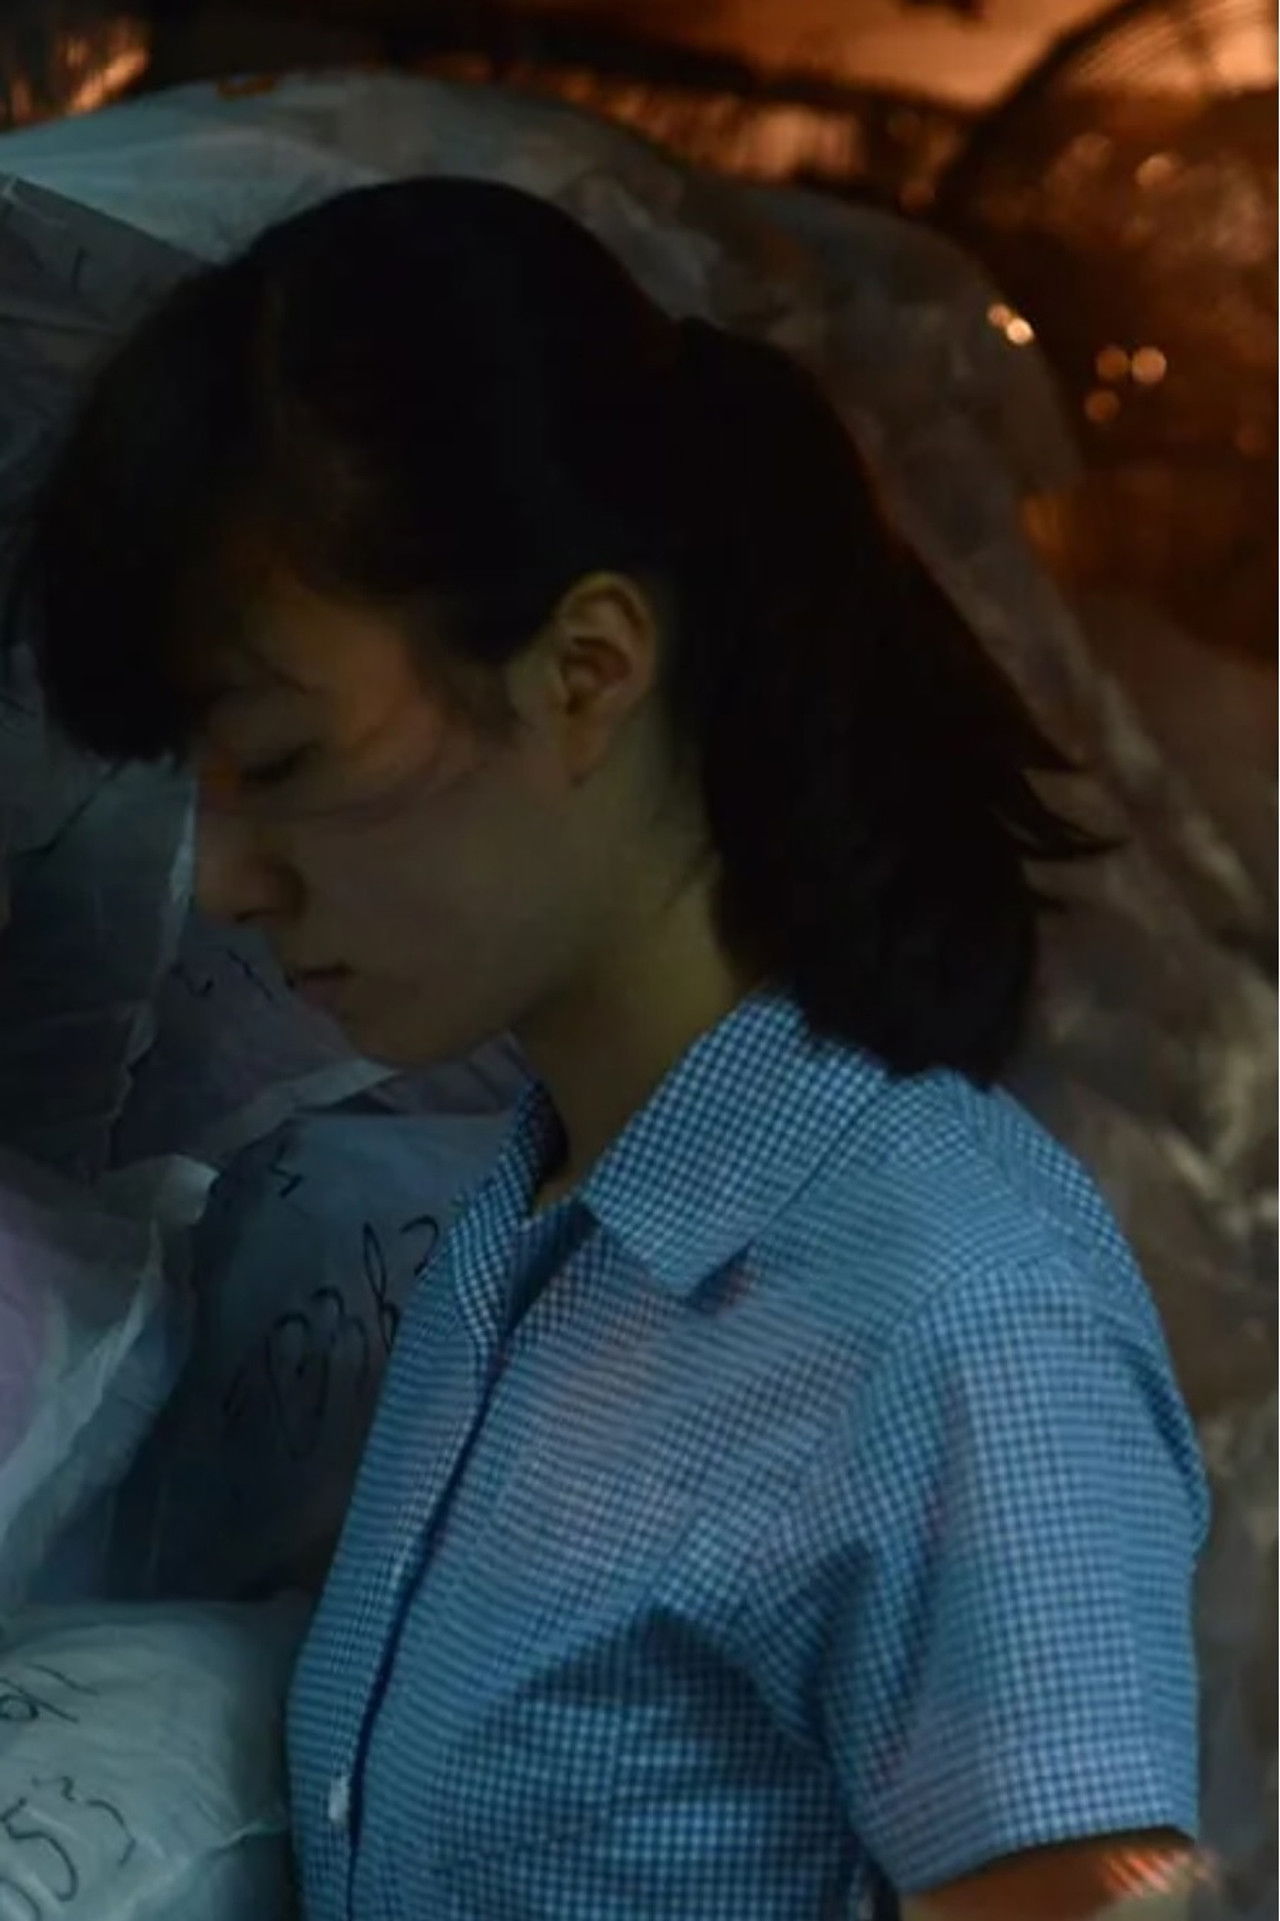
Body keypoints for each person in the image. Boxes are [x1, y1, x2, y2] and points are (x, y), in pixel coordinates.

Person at [9, 177, 1208, 1921]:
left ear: (585, 667)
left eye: (281, 762)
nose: (230, 882)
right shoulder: (531, 1238)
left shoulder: (949, 1312)